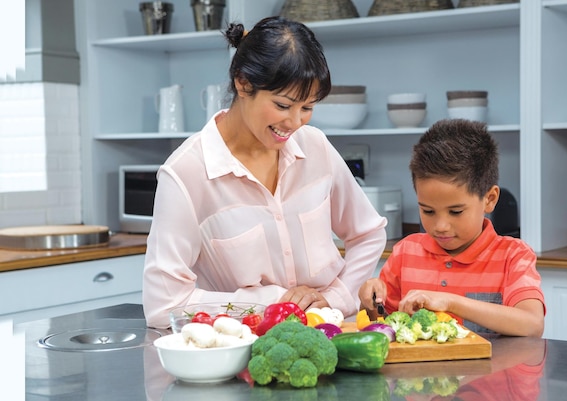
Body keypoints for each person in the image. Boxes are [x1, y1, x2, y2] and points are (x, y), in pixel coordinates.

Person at [142, 16, 387, 329]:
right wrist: (269, 303)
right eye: (283, 106)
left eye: (307, 107)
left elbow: (367, 233)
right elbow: (164, 305)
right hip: (246, 352)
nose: (296, 122)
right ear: (244, 83)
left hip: (335, 335)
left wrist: (337, 296)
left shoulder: (315, 147)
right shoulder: (186, 174)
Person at [359, 119, 545, 336]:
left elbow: (532, 324)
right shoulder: (405, 252)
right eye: (428, 211)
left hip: (491, 370)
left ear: (490, 199)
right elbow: (383, 323)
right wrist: (370, 303)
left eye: (456, 212)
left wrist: (451, 302)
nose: (441, 226)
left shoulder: (513, 255)